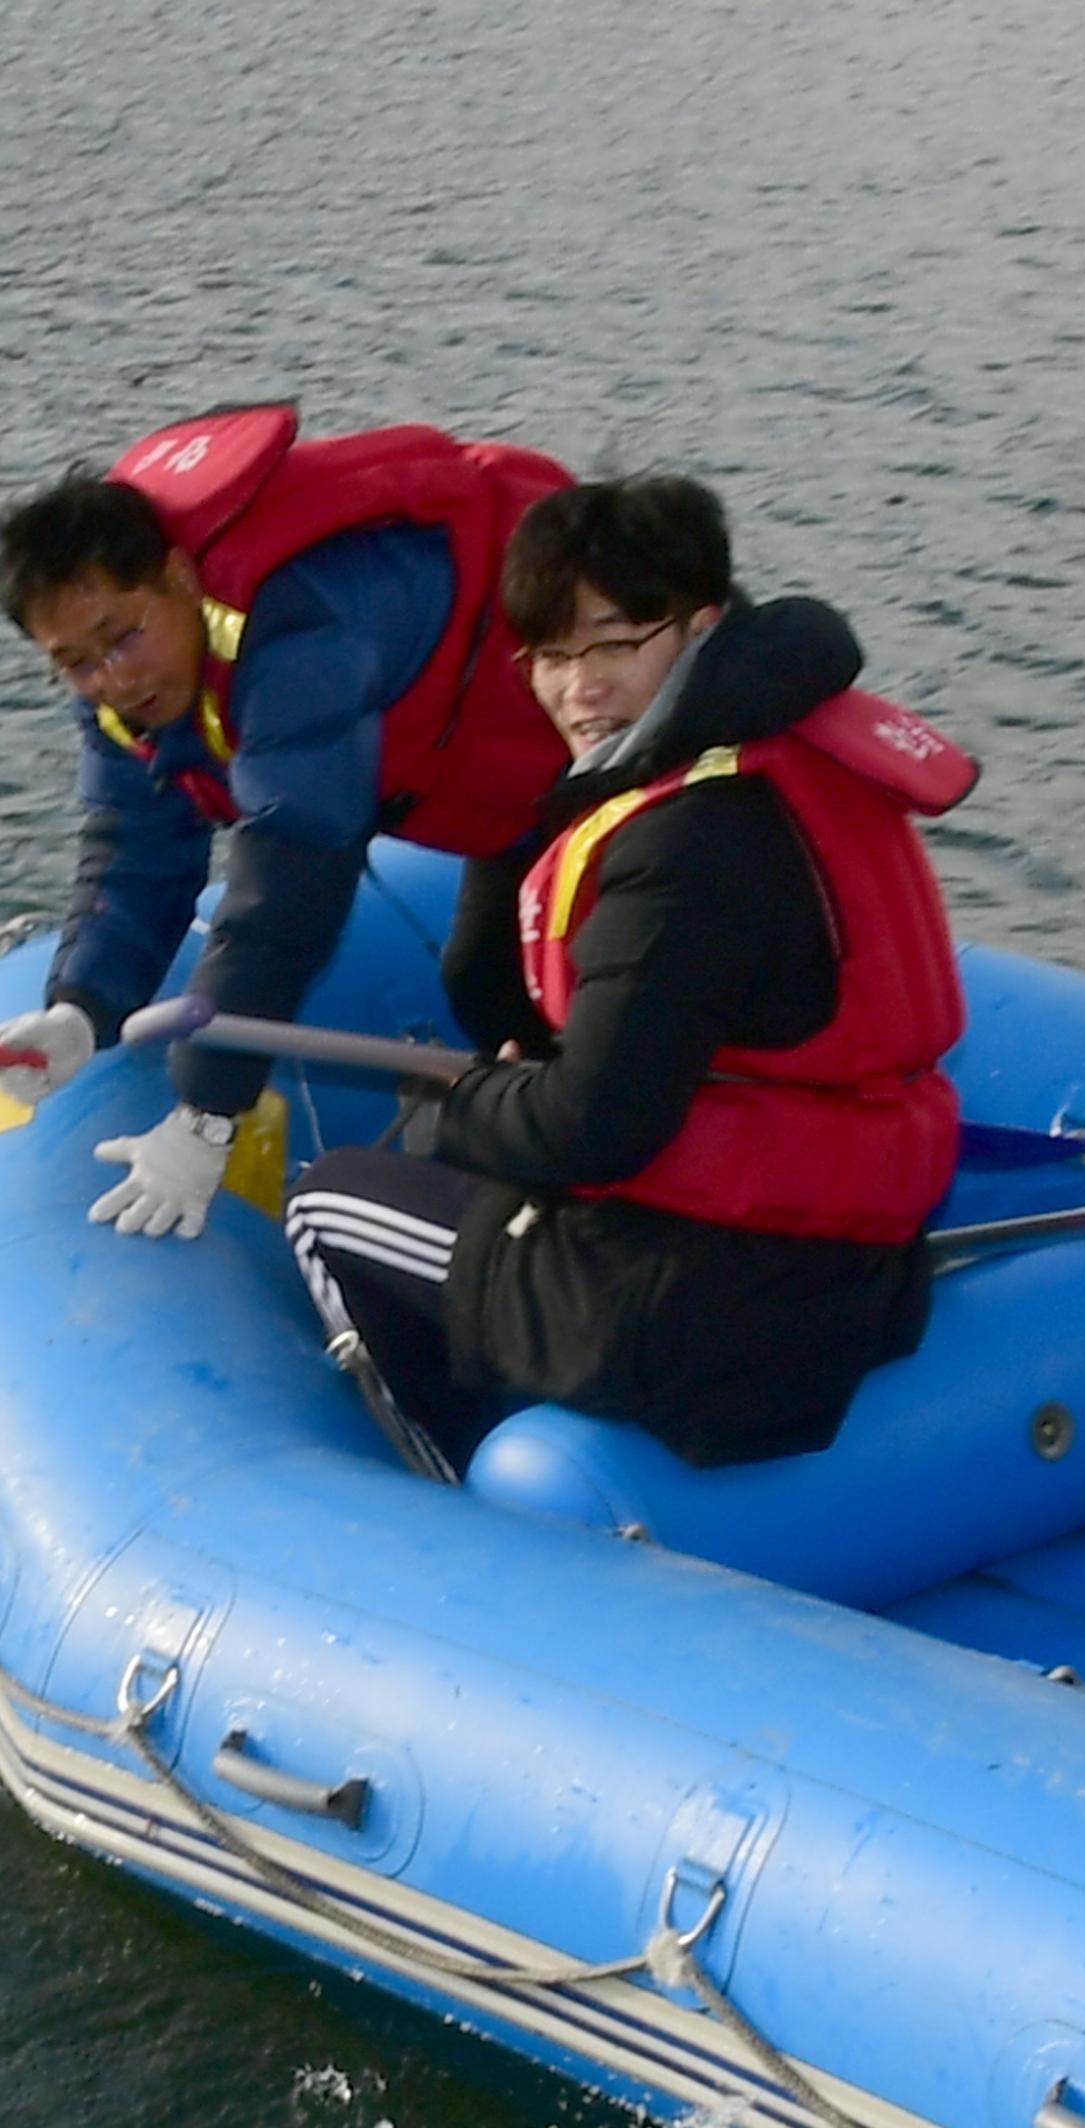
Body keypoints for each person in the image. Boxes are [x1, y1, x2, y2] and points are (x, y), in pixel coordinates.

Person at [273, 475, 972, 1476]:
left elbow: (592, 1127)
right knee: (490, 1139)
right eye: (551, 656)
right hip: (851, 1270)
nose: (578, 687)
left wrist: (459, 1107)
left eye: (613, 644)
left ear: (700, 626)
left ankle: (454, 1492)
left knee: (328, 1199)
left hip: (701, 1316)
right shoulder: (783, 755)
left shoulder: (684, 844)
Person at [0, 405, 572, 1239]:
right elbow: (134, 851)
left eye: (122, 638)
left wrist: (206, 1116)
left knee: (533, 985)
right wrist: (79, 1008)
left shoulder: (305, 627)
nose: (111, 676)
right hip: (504, 801)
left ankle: (614, 1205)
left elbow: (292, 872)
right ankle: (553, 1191)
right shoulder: (123, 694)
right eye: (71, 662)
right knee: (489, 983)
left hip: (601, 758)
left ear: (180, 578)